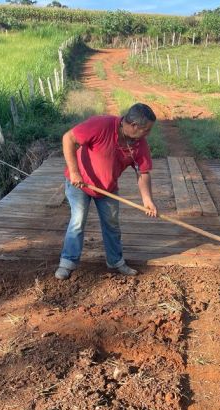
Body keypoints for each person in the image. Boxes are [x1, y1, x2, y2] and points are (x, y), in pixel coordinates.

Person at [54, 103, 158, 280]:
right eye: (146, 130)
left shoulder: (139, 144)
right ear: (133, 126)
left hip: (107, 187)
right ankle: (67, 263)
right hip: (80, 183)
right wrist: (74, 172)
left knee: (112, 224)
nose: (148, 134)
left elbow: (143, 172)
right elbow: (68, 138)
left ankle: (115, 262)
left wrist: (147, 200)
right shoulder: (101, 125)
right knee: (78, 220)